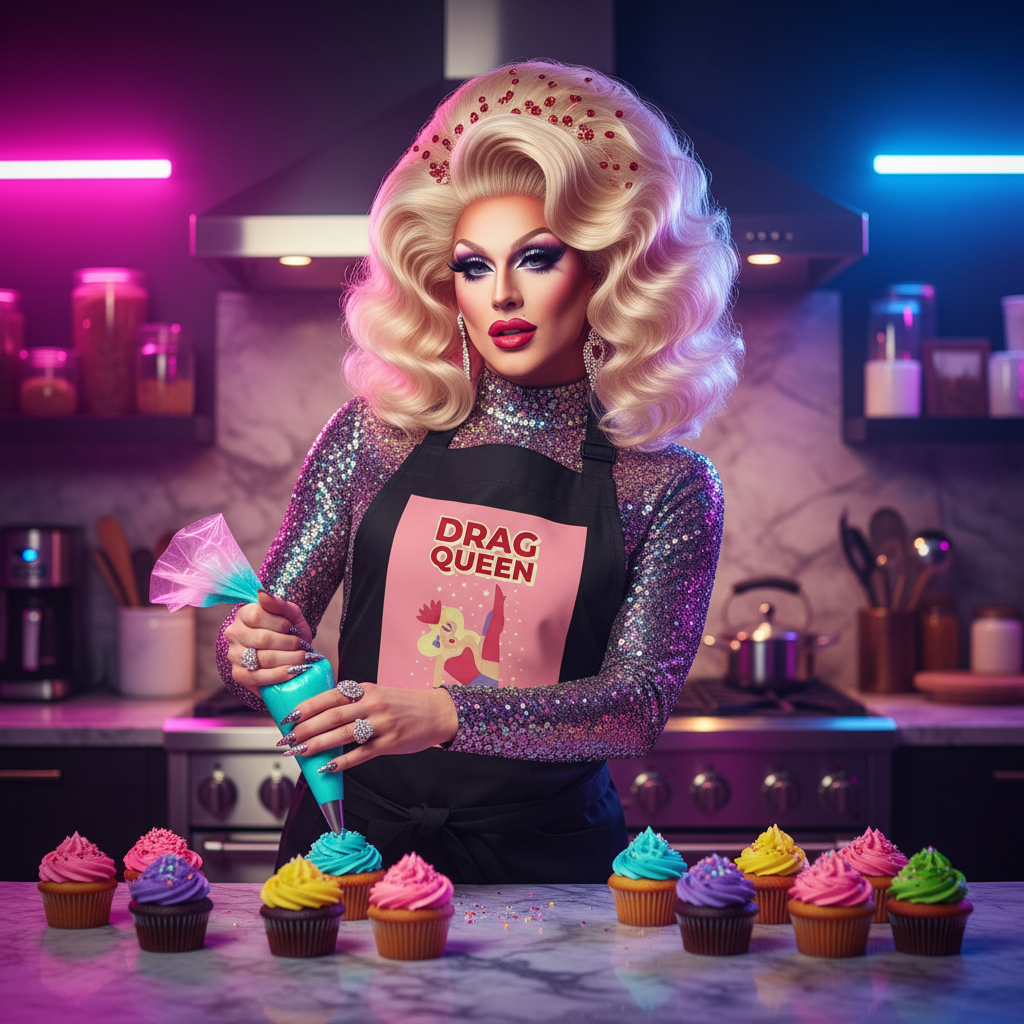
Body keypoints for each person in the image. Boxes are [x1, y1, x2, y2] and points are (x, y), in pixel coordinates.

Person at [218, 60, 743, 884]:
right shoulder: (374, 437)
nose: (500, 293)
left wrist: (443, 713)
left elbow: (637, 707)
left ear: (605, 267)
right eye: (472, 265)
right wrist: (252, 650)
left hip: (550, 867)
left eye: (535, 258)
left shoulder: (667, 485)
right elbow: (259, 655)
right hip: (352, 856)